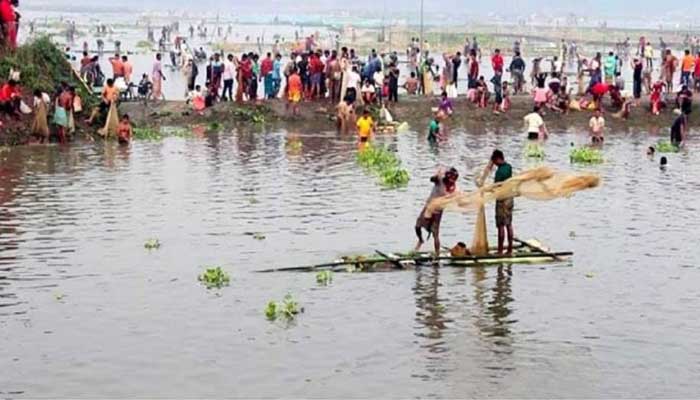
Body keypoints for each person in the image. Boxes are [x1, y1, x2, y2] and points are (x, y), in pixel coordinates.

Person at [415, 167, 459, 256]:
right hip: (429, 206)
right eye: (450, 178)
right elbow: (432, 179)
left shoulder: (452, 187)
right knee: (417, 226)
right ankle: (420, 240)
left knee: (435, 234)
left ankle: (437, 254)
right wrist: (435, 176)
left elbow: (453, 196)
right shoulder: (440, 180)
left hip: (438, 211)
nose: (451, 180)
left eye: (453, 179)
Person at [487, 150, 514, 255]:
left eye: (494, 161)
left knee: (501, 225)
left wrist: (488, 190)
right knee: (509, 224)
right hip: (510, 198)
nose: (493, 163)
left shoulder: (499, 172)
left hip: (502, 200)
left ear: (498, 158)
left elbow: (496, 187)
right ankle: (510, 249)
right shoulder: (509, 167)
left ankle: (500, 251)